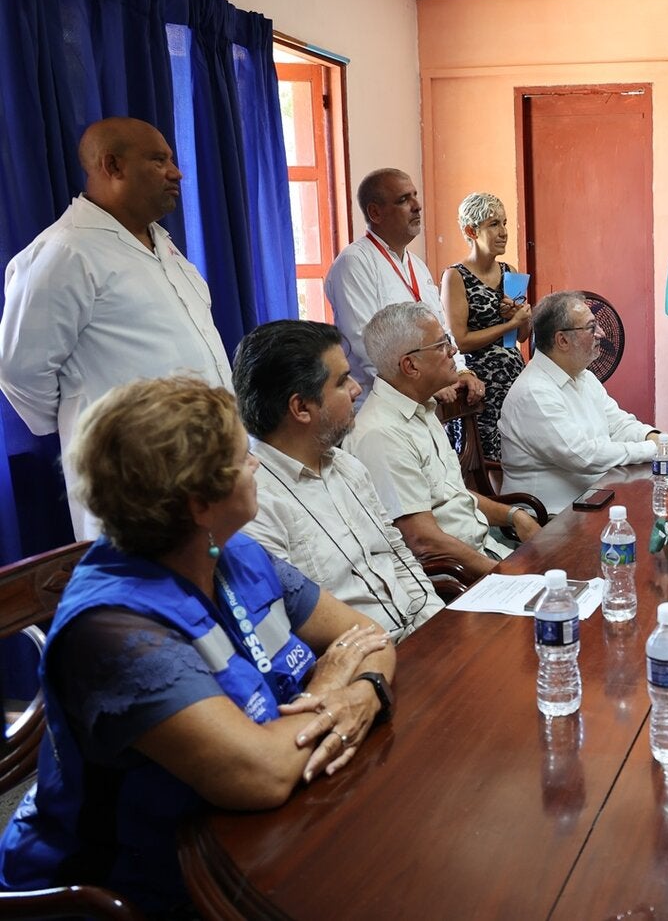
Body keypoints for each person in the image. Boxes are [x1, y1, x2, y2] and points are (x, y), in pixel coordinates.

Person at [0, 377, 396, 914]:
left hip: (268, 832)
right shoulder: (112, 632)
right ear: (199, 504)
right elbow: (261, 775)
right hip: (123, 889)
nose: (256, 464)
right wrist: (330, 685)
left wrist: (366, 690)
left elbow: (370, 639)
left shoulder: (234, 554)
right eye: (240, 459)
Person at [0, 117, 232, 537]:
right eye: (159, 160)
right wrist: (90, 418)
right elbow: (19, 370)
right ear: (113, 165)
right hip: (132, 477)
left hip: (209, 464)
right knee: (149, 597)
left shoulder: (164, 244)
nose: (176, 172)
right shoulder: (65, 252)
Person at [233, 320, 441, 640]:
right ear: (301, 407)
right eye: (343, 381)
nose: (358, 388)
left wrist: (438, 627)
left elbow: (398, 558)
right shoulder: (255, 504)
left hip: (421, 637)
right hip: (367, 663)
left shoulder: (345, 465)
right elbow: (292, 632)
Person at [344, 302, 539, 577]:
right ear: (410, 365)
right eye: (441, 345)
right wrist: (506, 576)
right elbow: (423, 541)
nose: (454, 350)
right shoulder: (381, 433)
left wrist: (513, 515)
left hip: (486, 550)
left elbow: (449, 493)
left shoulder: (421, 407)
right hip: (457, 578)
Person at [499, 291, 668, 514]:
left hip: (594, 499)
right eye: (591, 328)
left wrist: (652, 437)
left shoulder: (583, 376)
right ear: (562, 340)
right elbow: (583, 456)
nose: (601, 333)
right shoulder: (534, 392)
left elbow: (618, 423)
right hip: (549, 519)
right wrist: (652, 449)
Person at [324, 167, 484, 408]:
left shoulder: (417, 265)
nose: (417, 205)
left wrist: (461, 371)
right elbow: (365, 343)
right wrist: (422, 385)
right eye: (403, 200)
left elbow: (440, 328)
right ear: (375, 212)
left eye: (415, 195)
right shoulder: (354, 263)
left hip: (422, 398)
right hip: (378, 406)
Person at [440, 192, 531, 460]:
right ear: (471, 230)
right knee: (485, 461)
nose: (503, 232)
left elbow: (522, 336)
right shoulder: (455, 276)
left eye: (504, 223)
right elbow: (461, 340)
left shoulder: (509, 271)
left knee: (517, 455)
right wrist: (508, 325)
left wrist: (522, 317)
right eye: (493, 224)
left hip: (513, 377)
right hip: (479, 384)